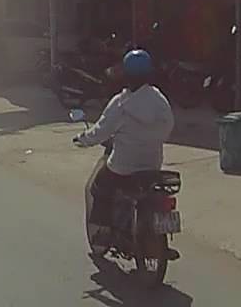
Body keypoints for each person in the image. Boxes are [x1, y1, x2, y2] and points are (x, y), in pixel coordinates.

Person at [73, 48, 175, 250]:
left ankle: (103, 234)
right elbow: (168, 127)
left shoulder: (120, 103)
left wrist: (82, 139)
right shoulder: (159, 99)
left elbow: (100, 131)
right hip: (152, 165)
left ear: (126, 75)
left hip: (123, 167)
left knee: (98, 187)